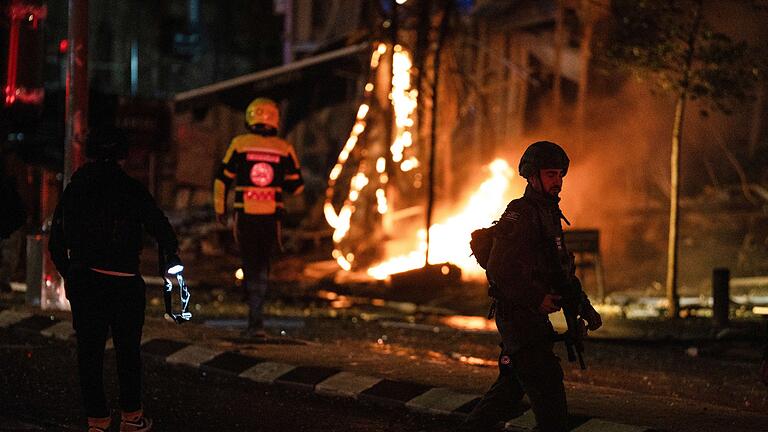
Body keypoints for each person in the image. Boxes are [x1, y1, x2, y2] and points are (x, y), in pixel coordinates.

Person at [459, 141, 602, 432]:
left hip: (531, 322)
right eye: (551, 174)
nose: (558, 181)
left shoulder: (549, 214)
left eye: (560, 174)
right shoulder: (521, 213)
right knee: (552, 407)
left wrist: (584, 308)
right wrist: (536, 298)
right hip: (519, 320)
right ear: (533, 176)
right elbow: (500, 268)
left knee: (507, 393)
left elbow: (560, 270)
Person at [49, 127, 180, 432]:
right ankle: (132, 418)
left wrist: (71, 273)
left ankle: (97, 422)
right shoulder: (131, 188)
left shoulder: (76, 188)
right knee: (128, 352)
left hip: (86, 280)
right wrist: (169, 260)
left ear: (90, 153)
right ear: (123, 155)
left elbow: (57, 240)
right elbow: (162, 229)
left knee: (89, 354)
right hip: (124, 281)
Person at [213, 97, 304, 338]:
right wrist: (277, 177)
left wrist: (219, 209)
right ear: (275, 118)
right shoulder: (284, 148)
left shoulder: (240, 144)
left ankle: (253, 317)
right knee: (263, 266)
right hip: (271, 219)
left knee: (249, 262)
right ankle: (257, 318)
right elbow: (297, 187)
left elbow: (222, 179)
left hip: (245, 216)